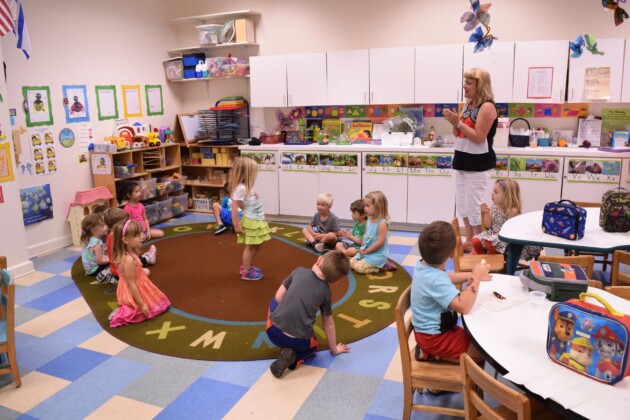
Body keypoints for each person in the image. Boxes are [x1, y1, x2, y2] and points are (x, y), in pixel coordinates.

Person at [412, 221, 491, 363]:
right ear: (452, 253)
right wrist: (476, 278)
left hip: (432, 332)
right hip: (434, 338)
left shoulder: (424, 265)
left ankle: (432, 353)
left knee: (477, 339)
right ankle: (433, 354)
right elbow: (463, 306)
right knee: (482, 353)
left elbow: (445, 277)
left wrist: (470, 275)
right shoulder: (434, 279)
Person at [266, 250, 351, 378]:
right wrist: (334, 349)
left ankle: (276, 327)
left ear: (318, 260)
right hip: (299, 342)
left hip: (273, 332)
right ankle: (294, 358)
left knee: (273, 302)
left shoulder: (298, 271)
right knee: (313, 346)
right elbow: (328, 324)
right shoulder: (326, 293)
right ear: (336, 281)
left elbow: (278, 297)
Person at [443, 68, 498, 253]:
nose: (464, 85)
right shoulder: (468, 105)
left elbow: (478, 137)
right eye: (464, 81)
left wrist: (458, 123)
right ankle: (469, 238)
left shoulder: (487, 107)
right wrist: (455, 124)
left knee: (474, 206)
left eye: (468, 82)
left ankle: (479, 243)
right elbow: (458, 131)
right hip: (462, 160)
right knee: (463, 205)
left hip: (478, 164)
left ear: (480, 85)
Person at [109, 220, 171, 327]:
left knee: (161, 303)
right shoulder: (128, 260)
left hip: (138, 283)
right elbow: (131, 284)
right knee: (140, 311)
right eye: (137, 235)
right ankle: (122, 311)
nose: (142, 236)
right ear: (125, 240)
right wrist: (142, 304)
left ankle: (126, 307)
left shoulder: (131, 251)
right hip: (132, 289)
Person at [472, 178, 541, 260]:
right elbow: (488, 225)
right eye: (493, 191)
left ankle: (495, 261)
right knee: (475, 241)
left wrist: (495, 235)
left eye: (496, 192)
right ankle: (486, 260)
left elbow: (508, 230)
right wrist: (486, 213)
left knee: (489, 242)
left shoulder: (513, 211)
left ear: (507, 196)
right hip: (494, 235)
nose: (492, 194)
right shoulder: (493, 206)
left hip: (505, 239)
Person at [229, 157, 271, 281]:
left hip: (257, 219)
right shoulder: (241, 188)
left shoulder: (246, 186)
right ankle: (246, 271)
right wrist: (236, 225)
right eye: (254, 172)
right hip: (252, 220)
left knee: (259, 243)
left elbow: (243, 203)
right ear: (247, 173)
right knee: (251, 246)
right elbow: (235, 206)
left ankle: (248, 266)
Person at [103, 208, 156, 282]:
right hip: (121, 271)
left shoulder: (110, 236)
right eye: (125, 223)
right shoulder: (118, 237)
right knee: (146, 271)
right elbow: (131, 253)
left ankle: (147, 257)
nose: (127, 225)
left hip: (115, 270)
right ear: (117, 225)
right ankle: (148, 258)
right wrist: (138, 240)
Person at [349, 191, 390, 274]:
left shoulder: (382, 224)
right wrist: (362, 247)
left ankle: (381, 267)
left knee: (358, 268)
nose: (364, 208)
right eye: (365, 206)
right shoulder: (369, 220)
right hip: (366, 251)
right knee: (350, 263)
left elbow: (380, 242)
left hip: (377, 255)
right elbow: (365, 234)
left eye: (367, 206)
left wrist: (367, 251)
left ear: (378, 207)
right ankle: (371, 263)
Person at [80, 213, 114, 284]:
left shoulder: (89, 238)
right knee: (114, 265)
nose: (106, 227)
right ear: (93, 230)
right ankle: (105, 276)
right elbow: (100, 262)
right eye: (103, 226)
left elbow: (96, 256)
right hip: (94, 270)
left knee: (109, 259)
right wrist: (111, 259)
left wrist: (107, 258)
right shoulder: (97, 244)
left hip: (89, 269)